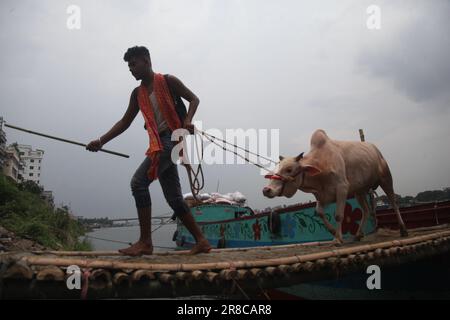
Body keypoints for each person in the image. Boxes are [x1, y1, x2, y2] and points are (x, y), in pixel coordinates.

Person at [86, 46, 211, 256]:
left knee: (138, 183)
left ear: (146, 60)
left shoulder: (169, 81)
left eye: (133, 64)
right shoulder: (138, 94)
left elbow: (194, 99)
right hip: (159, 143)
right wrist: (101, 141)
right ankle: (201, 241)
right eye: (129, 66)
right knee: (174, 199)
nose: (131, 70)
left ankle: (145, 242)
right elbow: (125, 121)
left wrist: (188, 120)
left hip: (171, 140)